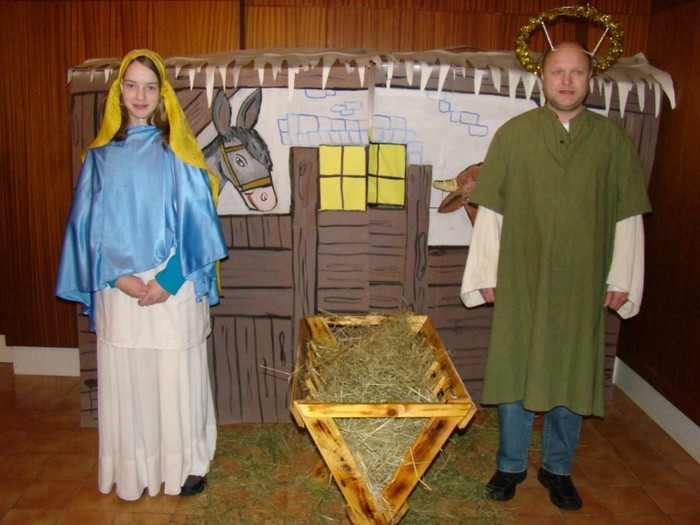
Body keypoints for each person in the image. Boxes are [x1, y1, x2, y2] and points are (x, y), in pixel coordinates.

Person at [460, 42, 651, 511]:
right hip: (522, 275)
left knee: (572, 371)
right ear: (542, 78)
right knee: (516, 368)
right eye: (558, 72)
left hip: (583, 280)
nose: (567, 81)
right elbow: (492, 212)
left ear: (590, 79)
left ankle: (557, 468)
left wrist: (621, 278)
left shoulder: (612, 141)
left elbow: (627, 215)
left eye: (577, 72)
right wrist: (486, 270)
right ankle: (510, 465)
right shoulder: (514, 135)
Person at [56, 49, 228, 501]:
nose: (140, 95)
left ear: (162, 94)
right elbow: (87, 228)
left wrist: (168, 280)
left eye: (150, 87)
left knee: (173, 375)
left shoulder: (179, 153)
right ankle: (135, 469)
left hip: (173, 281)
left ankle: (183, 465)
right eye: (131, 85)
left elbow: (198, 223)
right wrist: (118, 277)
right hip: (120, 287)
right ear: (118, 92)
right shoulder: (99, 158)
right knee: (130, 377)